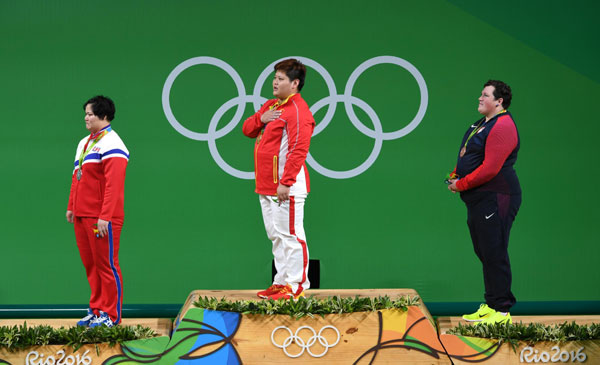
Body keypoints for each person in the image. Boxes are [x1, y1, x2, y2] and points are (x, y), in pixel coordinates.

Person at [447, 80, 521, 325]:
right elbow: (468, 154)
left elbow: (490, 169)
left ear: (499, 101)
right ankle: (491, 305)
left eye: (485, 95)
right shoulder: (481, 124)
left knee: (494, 250)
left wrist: (462, 184)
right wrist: (457, 175)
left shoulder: (503, 126)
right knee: (484, 251)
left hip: (496, 196)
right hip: (479, 198)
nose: (480, 98)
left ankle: (501, 311)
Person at [242, 59, 315, 300]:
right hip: (266, 185)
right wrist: (261, 119)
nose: (275, 82)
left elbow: (298, 149)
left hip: (287, 186)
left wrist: (286, 181)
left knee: (291, 235)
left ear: (295, 84)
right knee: (276, 234)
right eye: (275, 77)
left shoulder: (298, 111)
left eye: (281, 78)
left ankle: (296, 285)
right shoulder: (272, 106)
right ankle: (281, 281)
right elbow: (247, 130)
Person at [66, 95, 129, 327]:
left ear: (103, 116)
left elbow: (114, 184)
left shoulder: (113, 143)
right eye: (85, 113)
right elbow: (77, 176)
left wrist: (105, 216)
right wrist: (71, 206)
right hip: (82, 214)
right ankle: (97, 309)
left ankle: (112, 315)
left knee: (106, 265)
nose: (86, 117)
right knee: (91, 265)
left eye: (90, 114)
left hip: (103, 218)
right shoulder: (84, 143)